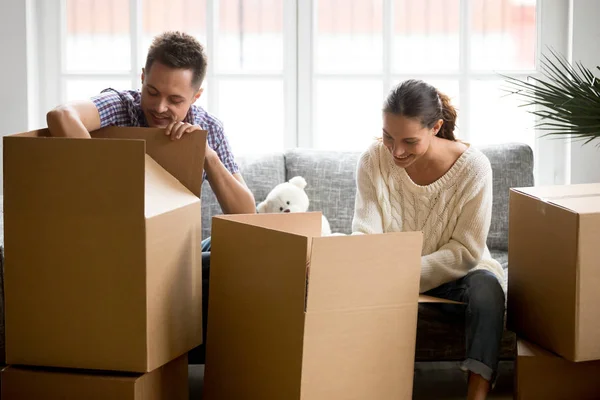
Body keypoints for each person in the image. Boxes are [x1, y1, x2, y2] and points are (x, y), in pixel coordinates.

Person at [46, 31, 256, 363]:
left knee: (240, 251)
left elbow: (247, 217)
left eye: (175, 100)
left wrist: (207, 155)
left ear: (195, 96)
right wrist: (111, 183)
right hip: (121, 247)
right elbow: (61, 116)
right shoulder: (121, 106)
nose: (159, 107)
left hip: (179, 251)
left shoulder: (207, 126)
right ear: (142, 78)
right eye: (152, 91)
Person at [352, 79, 506, 400]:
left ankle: (477, 393)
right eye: (388, 137)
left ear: (435, 127)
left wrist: (403, 275)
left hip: (455, 273)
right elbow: (365, 237)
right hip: (391, 276)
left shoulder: (474, 168)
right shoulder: (373, 160)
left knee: (488, 289)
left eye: (409, 141)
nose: (396, 151)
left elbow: (465, 251)